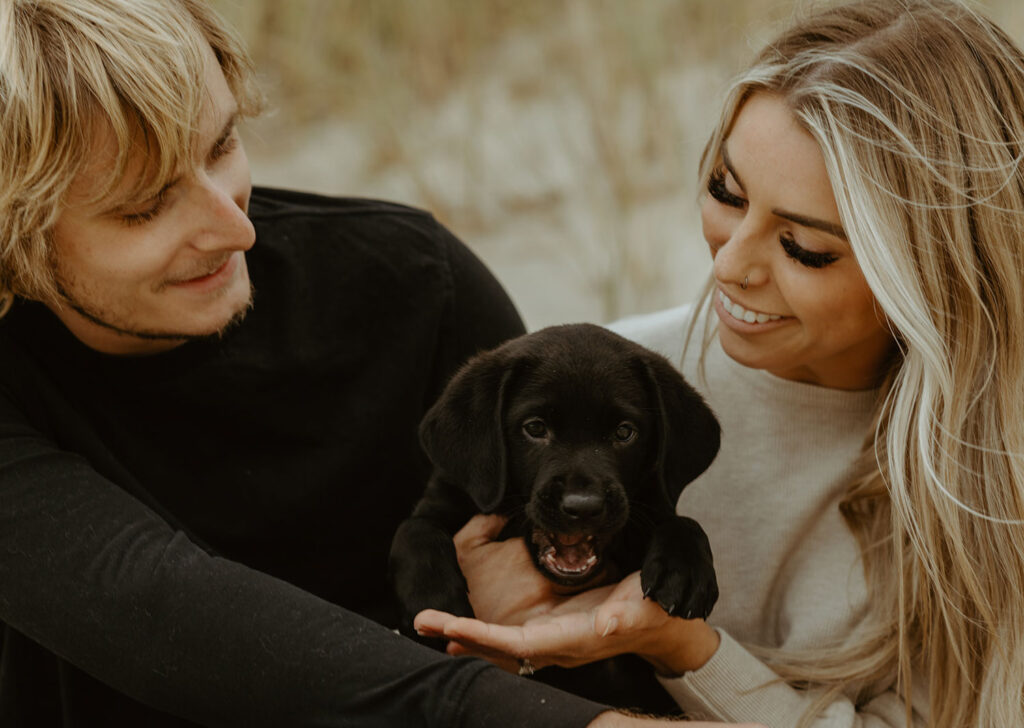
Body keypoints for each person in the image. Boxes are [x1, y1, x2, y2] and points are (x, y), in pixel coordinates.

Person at [0, 1, 772, 726]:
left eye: (222, 145)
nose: (237, 228)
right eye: (144, 206)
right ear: (15, 233)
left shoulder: (412, 284)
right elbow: (160, 610)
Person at [415, 0, 1024, 726]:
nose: (730, 265)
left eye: (805, 248)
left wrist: (685, 650)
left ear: (932, 276)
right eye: (726, 193)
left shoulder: (988, 485)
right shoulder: (614, 382)